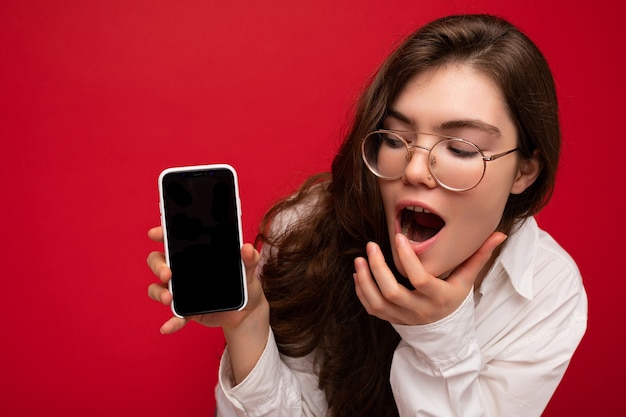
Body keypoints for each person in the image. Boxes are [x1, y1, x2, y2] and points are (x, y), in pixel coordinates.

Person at [147, 14, 587, 417]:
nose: (414, 169)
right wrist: (248, 324)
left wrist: (438, 335)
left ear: (524, 170)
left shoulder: (547, 291)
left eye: (460, 147)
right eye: (395, 138)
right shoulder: (306, 231)